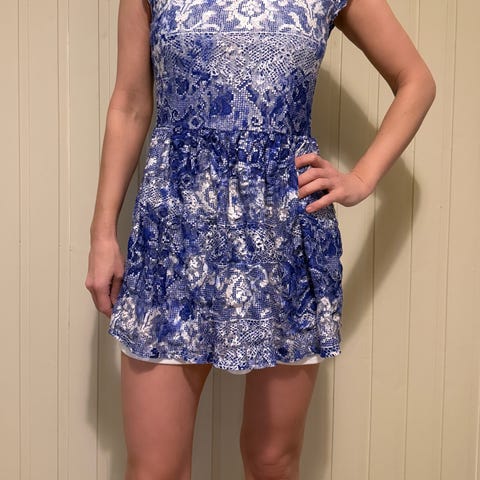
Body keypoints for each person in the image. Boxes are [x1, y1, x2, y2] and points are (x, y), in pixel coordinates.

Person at [85, 0, 435, 478]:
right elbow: (129, 104)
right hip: (174, 237)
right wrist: (102, 233)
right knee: (155, 469)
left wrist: (362, 178)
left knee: (272, 461)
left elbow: (416, 80)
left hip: (283, 239)